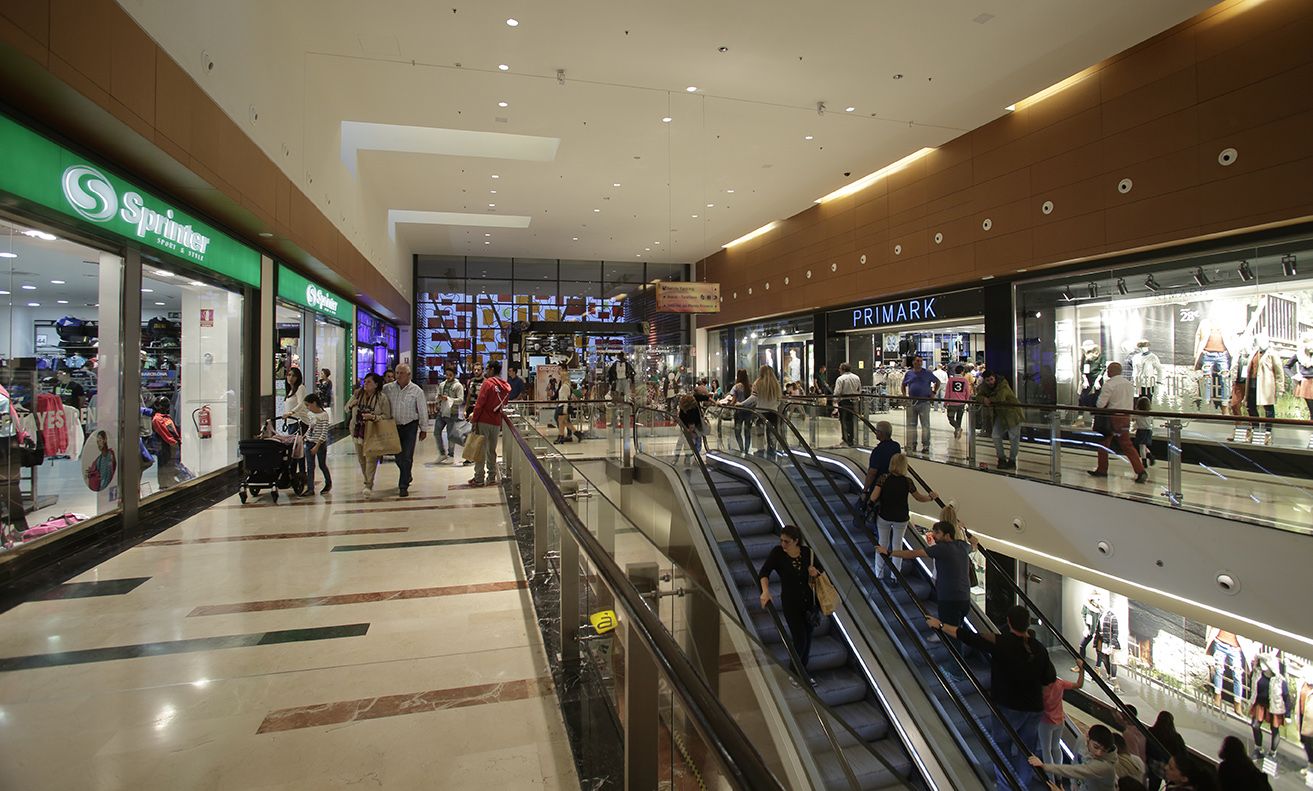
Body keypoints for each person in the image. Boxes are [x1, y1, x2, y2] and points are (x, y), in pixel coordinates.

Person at [929, 605, 1054, 791]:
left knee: (1001, 748)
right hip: (1034, 709)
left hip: (1007, 707)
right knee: (1027, 751)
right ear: (1028, 624)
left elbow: (967, 636)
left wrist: (939, 625)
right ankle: (1023, 785)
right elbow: (1049, 679)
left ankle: (1006, 786)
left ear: (1009, 622)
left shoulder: (1000, 642)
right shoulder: (1039, 649)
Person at [878, 520, 974, 634]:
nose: (934, 536)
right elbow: (975, 544)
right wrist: (966, 532)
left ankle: (955, 650)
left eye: (937, 533)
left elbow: (913, 553)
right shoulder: (962, 545)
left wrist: (889, 553)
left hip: (949, 600)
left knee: (952, 633)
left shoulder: (941, 548)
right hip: (965, 599)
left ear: (947, 535)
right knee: (958, 629)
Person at [757, 525, 822, 683]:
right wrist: (765, 591)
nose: (783, 544)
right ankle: (795, 673)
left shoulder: (807, 553)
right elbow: (764, 573)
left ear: (796, 541)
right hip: (791, 603)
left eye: (787, 541)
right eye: (781, 540)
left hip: (810, 603)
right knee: (800, 638)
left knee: (808, 637)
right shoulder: (778, 553)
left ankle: (802, 671)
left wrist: (816, 572)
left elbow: (821, 572)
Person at [867, 453, 936, 581]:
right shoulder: (907, 481)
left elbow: (873, 497)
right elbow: (919, 497)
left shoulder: (884, 478)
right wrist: (930, 498)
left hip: (884, 516)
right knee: (897, 545)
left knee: (882, 543)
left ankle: (879, 574)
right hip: (901, 518)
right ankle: (895, 576)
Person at [1090, 362, 1148, 484]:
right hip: (1125, 417)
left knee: (1103, 444)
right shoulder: (1128, 384)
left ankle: (1102, 469)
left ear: (1111, 371)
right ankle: (1140, 470)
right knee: (1127, 445)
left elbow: (1100, 404)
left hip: (1112, 418)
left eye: (1108, 370)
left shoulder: (1109, 385)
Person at [383, 363, 430, 498]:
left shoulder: (416, 391)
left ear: (409, 375)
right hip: (393, 426)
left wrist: (423, 429)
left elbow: (422, 410)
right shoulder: (388, 389)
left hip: (410, 426)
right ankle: (407, 474)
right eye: (397, 373)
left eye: (401, 373)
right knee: (398, 456)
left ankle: (403, 486)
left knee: (407, 456)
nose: (398, 376)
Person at [1028, 723, 1118, 791]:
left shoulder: (1105, 767)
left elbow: (1075, 771)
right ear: (1088, 738)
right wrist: (1073, 783)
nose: (1099, 753)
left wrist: (1044, 766)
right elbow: (1075, 762)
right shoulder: (1081, 740)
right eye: (1096, 747)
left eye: (1104, 750)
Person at [346, 372, 392, 498]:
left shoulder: (381, 398)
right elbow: (346, 408)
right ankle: (367, 480)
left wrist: (373, 417)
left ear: (376, 384)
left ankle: (368, 484)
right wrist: (351, 405)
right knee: (361, 459)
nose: (365, 384)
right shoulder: (357, 395)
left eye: (369, 382)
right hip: (357, 431)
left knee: (371, 458)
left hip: (373, 432)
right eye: (365, 382)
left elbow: (386, 416)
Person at [1035, 658, 1087, 766]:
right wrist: (1081, 670)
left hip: (1045, 723)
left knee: (1046, 750)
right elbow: (1079, 685)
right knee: (1056, 747)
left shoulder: (1039, 689)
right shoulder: (1060, 683)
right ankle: (1059, 775)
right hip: (1060, 721)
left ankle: (1051, 777)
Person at [468, 360, 511, 487]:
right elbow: (505, 404)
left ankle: (479, 478)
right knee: (491, 450)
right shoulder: (505, 386)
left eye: (487, 368)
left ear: (491, 369)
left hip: (483, 420)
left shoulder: (487, 384)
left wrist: (474, 419)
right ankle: (492, 477)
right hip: (496, 421)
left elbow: (480, 404)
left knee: (480, 450)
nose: (486, 371)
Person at [980, 370, 1024, 470]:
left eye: (991, 379)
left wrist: (988, 399)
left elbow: (1001, 397)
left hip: (1013, 414)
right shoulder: (985, 386)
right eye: (987, 380)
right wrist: (983, 399)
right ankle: (1001, 459)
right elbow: (979, 395)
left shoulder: (1003, 384)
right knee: (995, 435)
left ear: (995, 378)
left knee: (1014, 438)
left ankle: (1012, 461)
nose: (990, 382)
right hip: (1000, 415)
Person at [738, 365, 784, 456]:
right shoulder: (776, 384)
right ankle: (772, 450)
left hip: (760, 412)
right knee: (772, 433)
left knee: (760, 433)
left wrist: (742, 403)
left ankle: (760, 450)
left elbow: (754, 397)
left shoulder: (758, 383)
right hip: (773, 412)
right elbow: (779, 399)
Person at [901, 355, 939, 454]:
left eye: (921, 361)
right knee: (911, 425)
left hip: (924, 402)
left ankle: (926, 445)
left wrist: (934, 392)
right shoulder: (909, 374)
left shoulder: (927, 373)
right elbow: (903, 384)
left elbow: (937, 382)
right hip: (912, 403)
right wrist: (905, 395)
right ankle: (912, 444)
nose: (919, 363)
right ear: (913, 362)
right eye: (917, 361)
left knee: (925, 425)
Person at [150, 397, 189, 489]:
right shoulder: (158, 419)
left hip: (170, 444)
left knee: (170, 464)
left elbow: (171, 432)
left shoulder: (165, 418)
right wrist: (174, 443)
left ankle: (168, 482)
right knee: (165, 464)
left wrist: (176, 442)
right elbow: (164, 434)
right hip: (165, 445)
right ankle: (164, 484)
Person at [1145, 711, 1187, 791]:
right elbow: (1183, 754)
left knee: (1153, 786)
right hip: (1171, 766)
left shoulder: (1151, 731)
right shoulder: (1176, 737)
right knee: (1171, 786)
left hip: (1154, 765)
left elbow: (1147, 748)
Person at [431, 366, 464, 464]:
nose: (448, 377)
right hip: (441, 412)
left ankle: (451, 455)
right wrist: (439, 398)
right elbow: (437, 397)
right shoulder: (442, 384)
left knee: (451, 435)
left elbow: (461, 399)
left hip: (452, 413)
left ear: (454, 375)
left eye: (450, 375)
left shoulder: (458, 386)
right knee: (436, 432)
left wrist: (449, 399)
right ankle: (442, 453)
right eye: (447, 374)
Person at [302, 393, 332, 495]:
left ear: (314, 403)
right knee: (310, 466)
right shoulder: (310, 414)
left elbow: (324, 433)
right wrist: (305, 436)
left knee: (322, 465)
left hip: (319, 444)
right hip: (309, 442)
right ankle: (310, 489)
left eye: (308, 405)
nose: (307, 408)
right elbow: (310, 428)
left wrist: (317, 446)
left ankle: (328, 483)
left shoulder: (324, 415)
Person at [721, 369, 753, 454]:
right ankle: (746, 450)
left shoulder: (736, 386)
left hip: (739, 412)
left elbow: (733, 399)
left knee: (737, 431)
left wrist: (727, 404)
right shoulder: (750, 386)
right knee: (747, 432)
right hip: (749, 411)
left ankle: (741, 448)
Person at [832, 362, 862, 447]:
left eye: (840, 368)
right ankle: (852, 439)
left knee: (844, 421)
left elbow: (837, 391)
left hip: (844, 402)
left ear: (843, 369)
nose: (839, 370)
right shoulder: (856, 377)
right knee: (852, 421)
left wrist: (835, 401)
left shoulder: (841, 379)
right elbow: (859, 389)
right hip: (855, 402)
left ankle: (846, 440)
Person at [1119, 705, 1148, 782]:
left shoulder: (1128, 734)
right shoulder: (1142, 728)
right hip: (1144, 767)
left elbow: (1133, 755)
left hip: (1136, 770)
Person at [945, 364, 973, 439]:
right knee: (959, 418)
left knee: (950, 418)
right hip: (961, 403)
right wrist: (967, 401)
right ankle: (958, 429)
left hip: (952, 403)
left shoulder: (951, 380)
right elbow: (968, 392)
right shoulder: (965, 380)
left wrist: (945, 402)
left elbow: (948, 391)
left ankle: (957, 430)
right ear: (962, 371)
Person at [676, 393, 706, 462]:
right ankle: (691, 457)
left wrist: (690, 430)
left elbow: (691, 421)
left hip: (694, 428)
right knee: (692, 444)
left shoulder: (692, 410)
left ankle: (689, 457)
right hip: (691, 428)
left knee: (689, 443)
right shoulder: (690, 409)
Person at [1132, 397, 1155, 468]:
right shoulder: (1150, 414)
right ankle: (1150, 456)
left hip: (1141, 431)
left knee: (1141, 447)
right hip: (1148, 431)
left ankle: (1144, 461)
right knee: (1144, 446)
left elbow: (1132, 418)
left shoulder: (1137, 413)